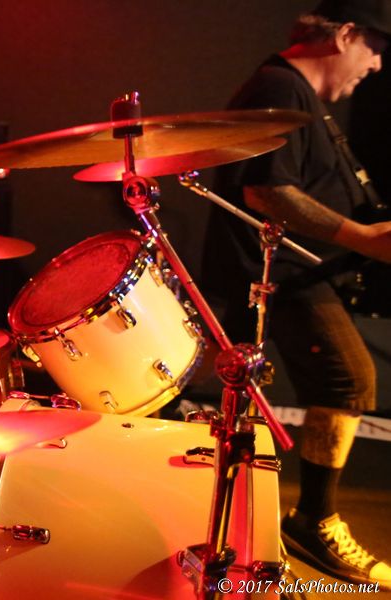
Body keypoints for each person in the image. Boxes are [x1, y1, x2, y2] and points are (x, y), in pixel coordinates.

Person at [202, 0, 391, 588]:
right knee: (348, 379)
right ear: (347, 35)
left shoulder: (297, 94)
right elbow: (266, 192)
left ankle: (292, 518)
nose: (377, 66)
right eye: (376, 49)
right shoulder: (280, 86)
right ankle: (314, 520)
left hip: (294, 272)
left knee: (335, 384)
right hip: (278, 273)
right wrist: (363, 237)